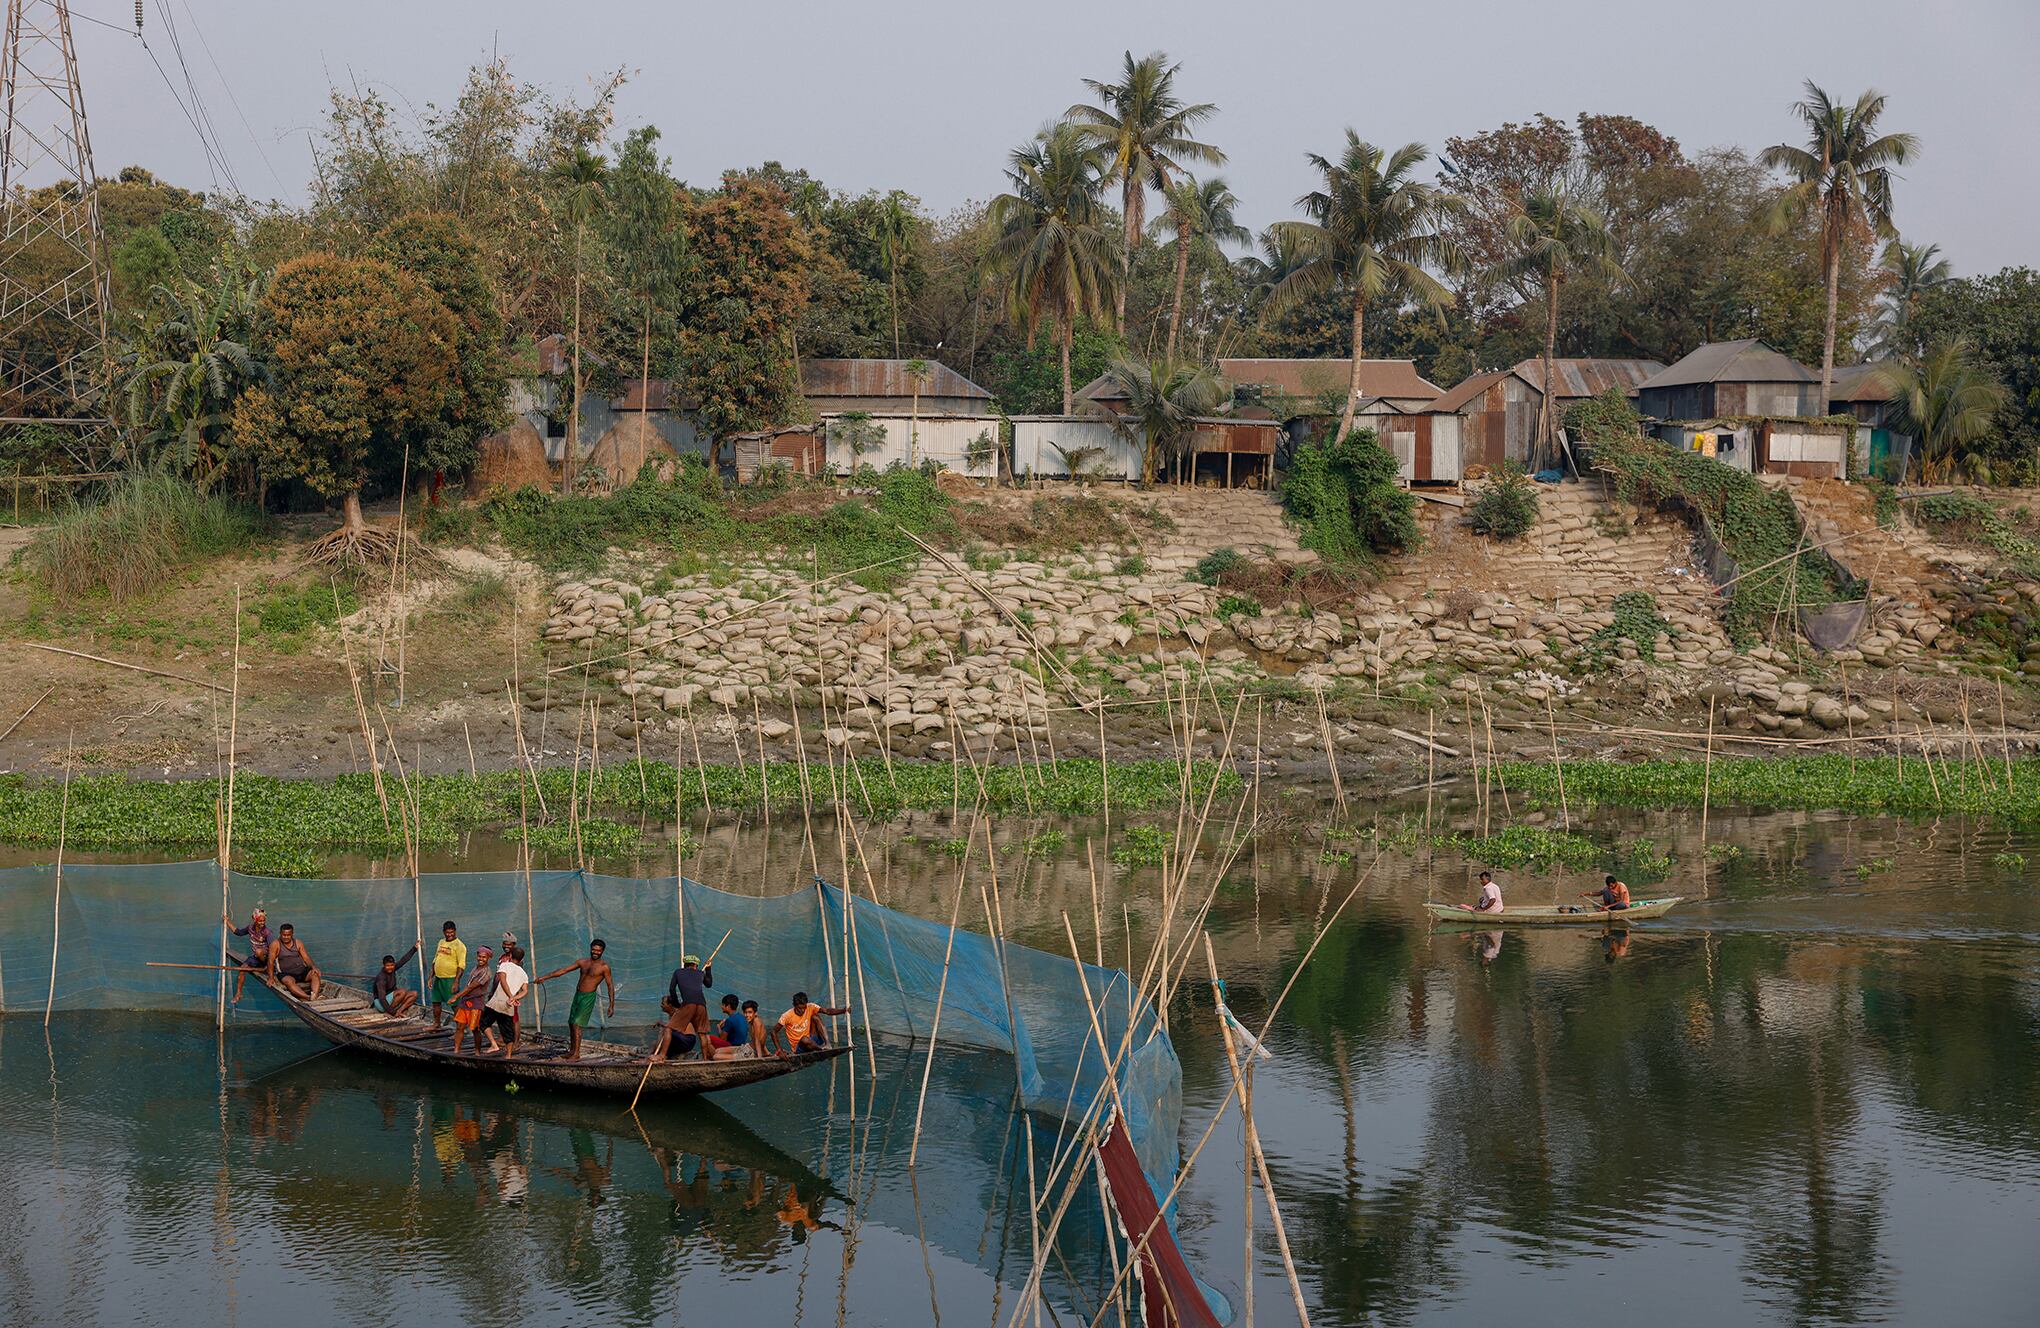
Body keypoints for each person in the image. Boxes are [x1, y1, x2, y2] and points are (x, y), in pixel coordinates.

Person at [535, 939, 616, 1060]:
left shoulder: (604, 967)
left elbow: (610, 986)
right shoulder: (582, 962)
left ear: (602, 951)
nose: (595, 952)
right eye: (593, 949)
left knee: (577, 1024)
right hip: (578, 995)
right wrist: (544, 977)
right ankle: (572, 1051)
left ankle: (576, 1054)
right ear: (590, 949)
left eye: (598, 950)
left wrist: (611, 1005)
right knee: (571, 1023)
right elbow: (563, 971)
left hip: (588, 997)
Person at [479, 944, 529, 1058]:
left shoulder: (504, 965)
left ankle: (493, 1044)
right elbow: (525, 991)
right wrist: (514, 998)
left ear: (510, 956)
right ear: (521, 960)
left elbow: (503, 981)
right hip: (509, 1005)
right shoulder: (524, 974)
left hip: (497, 1002)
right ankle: (509, 1055)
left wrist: (510, 996)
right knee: (507, 1031)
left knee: (483, 1023)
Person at [666, 954, 715, 1060]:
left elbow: (672, 989)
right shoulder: (700, 973)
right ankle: (705, 1060)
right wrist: (709, 968)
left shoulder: (678, 972)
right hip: (702, 1004)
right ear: (696, 965)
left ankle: (661, 1055)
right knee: (702, 1033)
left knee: (669, 1028)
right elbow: (709, 984)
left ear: (685, 964)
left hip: (688, 1004)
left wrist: (677, 1004)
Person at [771, 991, 849, 1057]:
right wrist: (779, 1050)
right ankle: (821, 1050)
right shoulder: (786, 1016)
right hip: (800, 1047)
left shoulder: (810, 1007)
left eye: (804, 1008)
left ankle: (827, 1044)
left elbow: (827, 1011)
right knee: (804, 1039)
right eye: (799, 1008)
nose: (802, 1011)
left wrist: (843, 1010)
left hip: (813, 1041)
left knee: (815, 1016)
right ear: (794, 1006)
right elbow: (773, 1032)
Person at [449, 946, 493, 1055]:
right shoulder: (476, 968)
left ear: (488, 958)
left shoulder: (486, 972)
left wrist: (456, 996)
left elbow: (471, 987)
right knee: (459, 1027)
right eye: (479, 956)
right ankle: (456, 1049)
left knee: (475, 1028)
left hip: (476, 1003)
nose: (481, 959)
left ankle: (477, 1052)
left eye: (484, 957)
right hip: (465, 1001)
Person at [223, 906, 271, 1004]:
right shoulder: (250, 928)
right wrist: (227, 921)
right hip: (256, 958)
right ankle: (238, 994)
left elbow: (273, 950)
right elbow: (238, 932)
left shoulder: (267, 932)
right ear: (254, 919)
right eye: (260, 921)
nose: (262, 923)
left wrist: (270, 971)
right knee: (242, 969)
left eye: (263, 921)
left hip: (267, 959)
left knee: (259, 951)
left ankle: (266, 968)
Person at [267, 924, 322, 1000]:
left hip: (302, 971)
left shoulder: (298, 943)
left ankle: (314, 995)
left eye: (288, 935)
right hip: (286, 974)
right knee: (289, 982)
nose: (286, 937)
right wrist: (271, 977)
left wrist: (314, 967)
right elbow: (270, 962)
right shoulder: (275, 944)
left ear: (292, 934)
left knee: (315, 974)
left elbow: (306, 958)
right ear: (280, 933)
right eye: (284, 935)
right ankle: (308, 997)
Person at [430, 921, 467, 1030]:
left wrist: (456, 981)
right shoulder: (441, 942)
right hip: (438, 978)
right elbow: (435, 960)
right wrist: (430, 977)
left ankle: (460, 1029)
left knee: (455, 1005)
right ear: (443, 932)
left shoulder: (460, 945)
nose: (450, 935)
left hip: (450, 979)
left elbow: (461, 965)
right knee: (436, 1002)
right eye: (447, 933)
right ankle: (436, 1023)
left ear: (455, 931)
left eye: (452, 932)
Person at [707, 994, 750, 1060]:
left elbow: (722, 1039)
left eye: (723, 1005)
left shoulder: (730, 1020)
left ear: (728, 1006)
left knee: (707, 1038)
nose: (721, 1007)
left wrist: (719, 1027)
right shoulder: (742, 1017)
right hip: (741, 1046)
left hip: (733, 1047)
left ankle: (713, 1058)